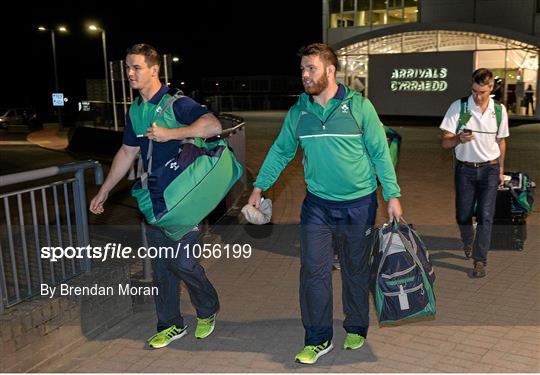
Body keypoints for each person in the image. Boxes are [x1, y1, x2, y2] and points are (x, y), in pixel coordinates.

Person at [248, 43, 402, 365]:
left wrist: (392, 196)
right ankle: (317, 338)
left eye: (311, 68)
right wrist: (259, 187)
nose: (305, 75)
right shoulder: (299, 112)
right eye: (302, 69)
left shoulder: (360, 107)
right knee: (313, 271)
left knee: (355, 269)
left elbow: (379, 153)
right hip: (317, 205)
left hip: (359, 204)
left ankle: (356, 324)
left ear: (330, 70)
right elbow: (280, 151)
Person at [89, 43, 222, 349]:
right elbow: (127, 151)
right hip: (155, 200)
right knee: (163, 266)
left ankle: (207, 309)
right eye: (127, 67)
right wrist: (105, 190)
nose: (130, 73)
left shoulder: (176, 103)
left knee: (184, 263)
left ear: (154, 69)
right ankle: (170, 324)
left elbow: (212, 125)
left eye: (136, 67)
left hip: (184, 199)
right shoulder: (136, 109)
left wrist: (170, 133)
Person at [440, 68, 509, 278]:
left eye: (482, 92)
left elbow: (501, 141)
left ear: (491, 89)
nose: (478, 97)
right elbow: (445, 142)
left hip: (490, 169)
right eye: (474, 91)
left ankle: (480, 260)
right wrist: (458, 139)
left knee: (486, 216)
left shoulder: (499, 110)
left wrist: (501, 169)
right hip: (465, 170)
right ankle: (467, 239)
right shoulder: (459, 107)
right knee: (463, 214)